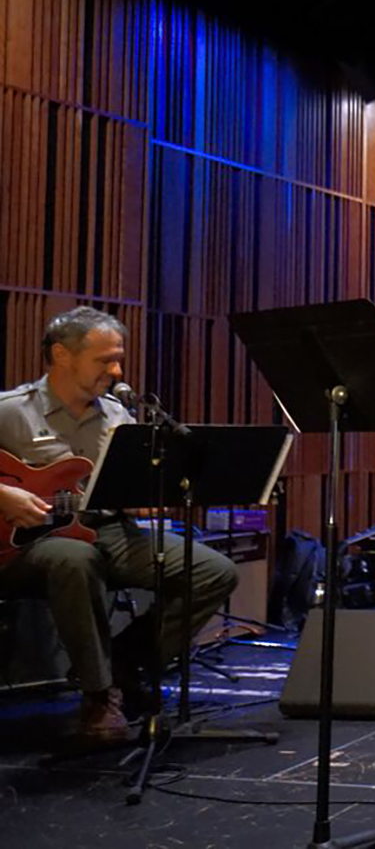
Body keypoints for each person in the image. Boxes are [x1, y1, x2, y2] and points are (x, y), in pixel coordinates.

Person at [0, 306, 238, 745]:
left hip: (103, 529)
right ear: (62, 355)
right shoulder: (12, 411)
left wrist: (150, 497)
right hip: (24, 544)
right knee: (74, 558)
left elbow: (123, 488)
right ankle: (97, 694)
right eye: (104, 359)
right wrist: (6, 494)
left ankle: (124, 664)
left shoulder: (116, 415)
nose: (117, 369)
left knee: (213, 571)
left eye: (118, 358)